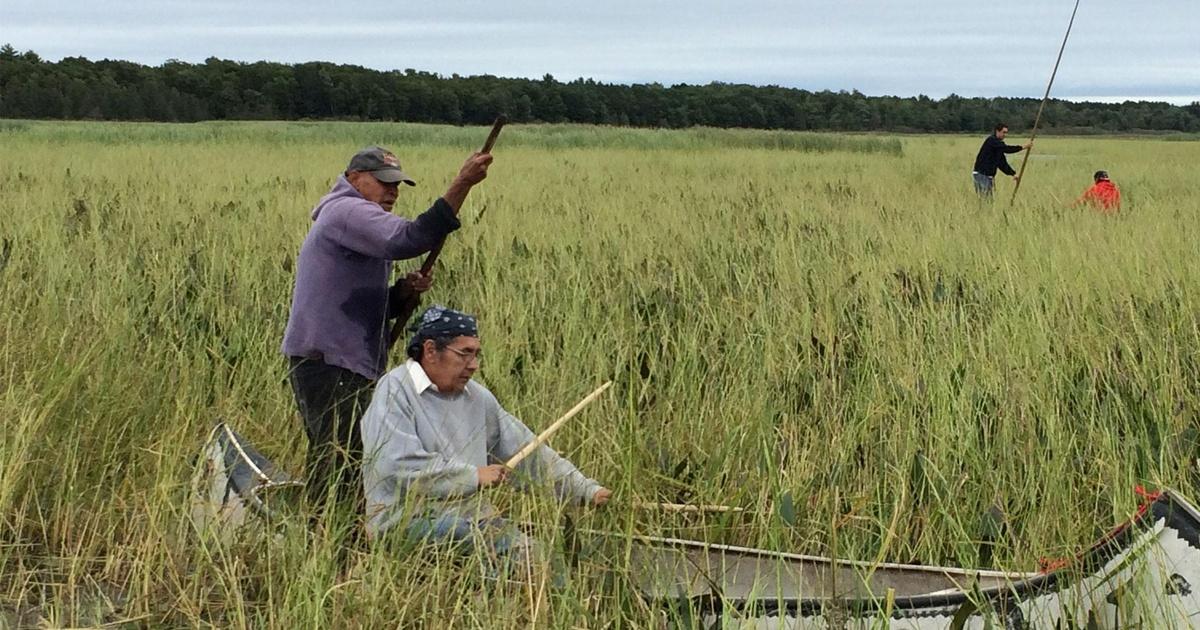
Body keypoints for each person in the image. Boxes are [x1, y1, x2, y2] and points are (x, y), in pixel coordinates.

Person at [282, 146, 493, 516]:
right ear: (353, 179)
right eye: (384, 183)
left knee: (340, 457)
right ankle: (330, 539)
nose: (392, 192)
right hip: (331, 358)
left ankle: (329, 533)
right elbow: (409, 239)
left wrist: (402, 294)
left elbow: (364, 303)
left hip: (338, 357)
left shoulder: (353, 218)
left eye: (397, 185)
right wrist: (461, 184)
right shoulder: (347, 210)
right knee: (342, 459)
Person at [360, 305, 611, 575]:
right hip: (404, 521)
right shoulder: (394, 389)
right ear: (430, 350)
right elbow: (396, 465)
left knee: (543, 560)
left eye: (477, 354)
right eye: (464, 353)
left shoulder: (478, 398)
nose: (474, 365)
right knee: (494, 552)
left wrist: (586, 490)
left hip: (472, 517)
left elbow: (528, 454)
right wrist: (473, 477)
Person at [972, 123, 1032, 198]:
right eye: (1003, 132)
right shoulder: (991, 141)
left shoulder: (998, 147)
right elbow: (1007, 149)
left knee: (989, 201)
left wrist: (1013, 174)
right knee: (986, 200)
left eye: (1006, 133)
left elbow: (1002, 163)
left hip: (989, 177)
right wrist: (1023, 147)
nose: (1005, 135)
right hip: (981, 175)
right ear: (997, 131)